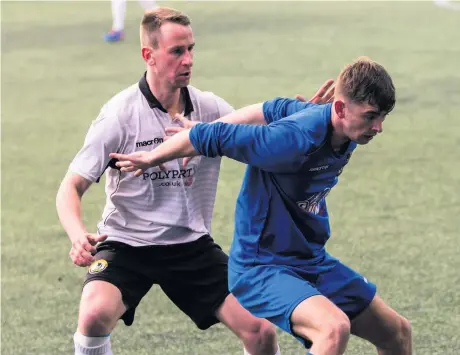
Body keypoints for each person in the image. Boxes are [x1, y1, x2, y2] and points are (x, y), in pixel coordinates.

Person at [56, 7, 333, 355]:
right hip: (127, 243)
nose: (188, 60)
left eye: (191, 49)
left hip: (191, 245)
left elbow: (263, 133)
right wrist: (77, 234)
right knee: (94, 314)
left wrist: (304, 116)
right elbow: (71, 186)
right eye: (177, 51)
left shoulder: (208, 108)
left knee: (260, 330)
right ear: (149, 56)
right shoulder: (119, 115)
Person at [111, 57, 413, 355]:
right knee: (333, 329)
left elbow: (272, 108)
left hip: (309, 259)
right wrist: (153, 156)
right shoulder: (290, 140)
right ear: (340, 108)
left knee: (397, 333)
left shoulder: (338, 125)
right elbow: (210, 135)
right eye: (371, 116)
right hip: (262, 267)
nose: (379, 127)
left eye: (383, 117)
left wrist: (299, 114)